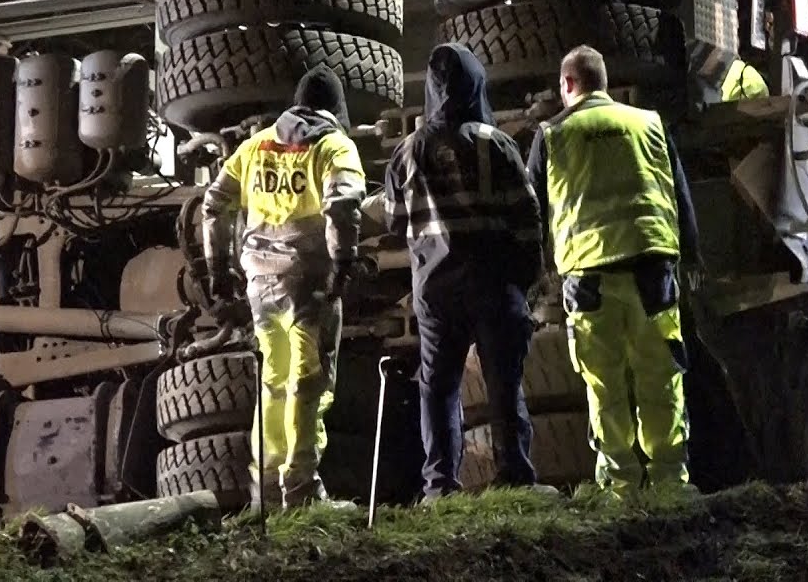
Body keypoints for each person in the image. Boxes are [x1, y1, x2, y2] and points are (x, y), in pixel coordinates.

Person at [525, 45, 704, 498]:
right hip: (653, 272)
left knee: (604, 386)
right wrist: (693, 256)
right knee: (660, 379)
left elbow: (531, 216)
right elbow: (680, 197)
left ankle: (621, 487)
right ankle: (670, 484)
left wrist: (534, 276)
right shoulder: (649, 124)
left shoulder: (552, 134)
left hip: (589, 279)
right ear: (602, 82)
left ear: (568, 85)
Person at [383, 43, 553, 503]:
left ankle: (440, 486)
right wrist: (529, 275)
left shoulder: (407, 151)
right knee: (502, 384)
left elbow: (395, 220)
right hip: (493, 285)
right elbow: (527, 214)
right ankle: (514, 476)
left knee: (437, 389)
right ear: (477, 84)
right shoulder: (494, 143)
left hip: (435, 290)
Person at [201, 65, 366, 510]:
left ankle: (266, 492)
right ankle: (302, 489)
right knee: (309, 383)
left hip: (260, 285)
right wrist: (344, 261)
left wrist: (217, 268)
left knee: (272, 380)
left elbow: (213, 204)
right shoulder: (334, 146)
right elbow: (345, 204)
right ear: (335, 107)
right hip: (310, 286)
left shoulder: (254, 147)